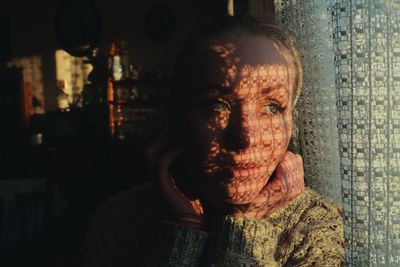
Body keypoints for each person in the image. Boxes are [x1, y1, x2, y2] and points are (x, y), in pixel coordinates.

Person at [82, 16, 345, 266]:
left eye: (272, 107)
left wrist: (245, 224)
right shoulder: (120, 223)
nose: (245, 137)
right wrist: (184, 229)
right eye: (217, 106)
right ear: (176, 117)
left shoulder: (316, 227)